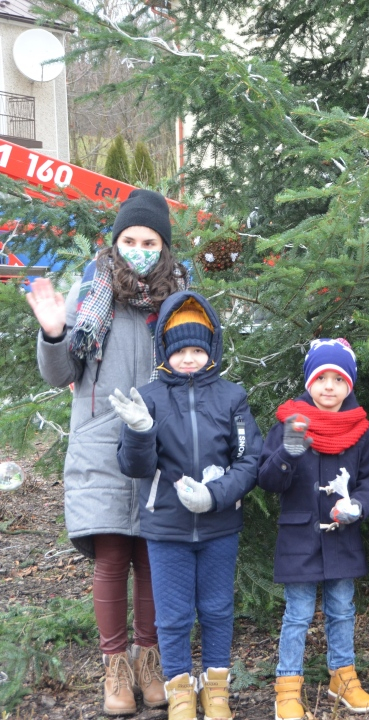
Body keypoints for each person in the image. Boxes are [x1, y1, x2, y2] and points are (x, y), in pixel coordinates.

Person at [27, 189, 188, 715]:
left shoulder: (179, 297)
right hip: (101, 441)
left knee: (152, 554)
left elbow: (198, 364)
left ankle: (149, 659)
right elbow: (61, 374)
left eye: (149, 241)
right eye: (130, 239)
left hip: (163, 443)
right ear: (115, 242)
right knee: (113, 554)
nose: (139, 249)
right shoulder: (92, 290)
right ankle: (115, 666)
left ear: (163, 246)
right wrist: (54, 332)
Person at [113, 290, 262, 720]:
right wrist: (140, 431)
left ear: (211, 349)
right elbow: (135, 466)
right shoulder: (149, 398)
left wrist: (216, 495)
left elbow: (249, 459)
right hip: (167, 530)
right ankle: (179, 690)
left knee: (217, 610)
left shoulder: (231, 397)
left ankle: (216, 690)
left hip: (219, 527)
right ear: (165, 351)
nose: (190, 358)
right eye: (180, 351)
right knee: (174, 616)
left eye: (197, 349)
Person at [258, 338, 369, 720]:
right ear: (309, 381)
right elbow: (268, 480)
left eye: (338, 379)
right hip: (299, 538)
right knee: (297, 614)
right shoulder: (289, 424)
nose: (329, 386)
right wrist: (287, 453)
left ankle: (342, 677)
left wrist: (358, 505)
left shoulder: (361, 431)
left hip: (342, 538)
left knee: (342, 609)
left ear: (349, 384)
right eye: (321, 378)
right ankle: (287, 688)